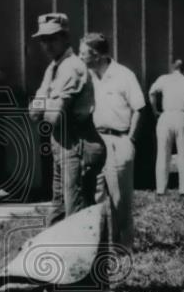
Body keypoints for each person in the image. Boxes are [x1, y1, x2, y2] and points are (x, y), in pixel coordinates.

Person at [28, 13, 106, 226]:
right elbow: (34, 112)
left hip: (77, 144)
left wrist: (44, 105)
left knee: (77, 216)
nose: (47, 45)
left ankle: (89, 259)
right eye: (43, 40)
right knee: (58, 212)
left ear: (65, 38)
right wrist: (44, 105)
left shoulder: (71, 66)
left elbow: (54, 116)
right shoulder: (53, 67)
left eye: (52, 38)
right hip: (62, 145)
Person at [79, 32, 146, 249]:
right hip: (93, 141)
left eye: (83, 54)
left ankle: (122, 249)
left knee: (120, 201)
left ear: (96, 55)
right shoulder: (85, 76)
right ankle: (96, 249)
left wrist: (131, 140)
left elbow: (139, 109)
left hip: (118, 141)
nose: (80, 58)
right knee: (94, 198)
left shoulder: (124, 75)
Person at [149, 59, 184, 195]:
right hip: (181, 116)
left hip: (166, 116)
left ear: (172, 68)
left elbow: (151, 93)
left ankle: (161, 189)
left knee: (162, 154)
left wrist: (155, 109)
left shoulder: (164, 79)